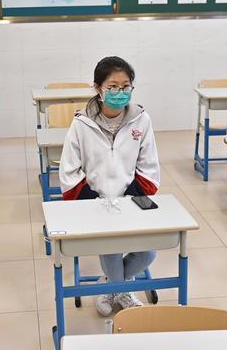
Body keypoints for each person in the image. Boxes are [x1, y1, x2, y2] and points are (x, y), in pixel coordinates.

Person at [59, 56, 161, 317]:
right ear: (98, 88)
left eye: (125, 86)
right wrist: (94, 201)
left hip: (132, 200)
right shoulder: (81, 123)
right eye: (113, 87)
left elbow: (149, 165)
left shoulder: (141, 120)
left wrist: (130, 198)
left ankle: (109, 285)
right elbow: (69, 170)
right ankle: (123, 292)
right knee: (112, 248)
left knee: (148, 253)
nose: (120, 92)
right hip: (95, 202)